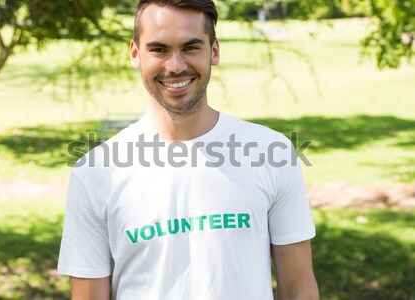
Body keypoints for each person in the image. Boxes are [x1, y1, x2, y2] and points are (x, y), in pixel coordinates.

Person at [57, 0, 319, 299]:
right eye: (159, 49)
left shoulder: (272, 153)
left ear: (214, 51)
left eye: (191, 47)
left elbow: (300, 290)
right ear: (135, 54)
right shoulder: (96, 172)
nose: (176, 65)